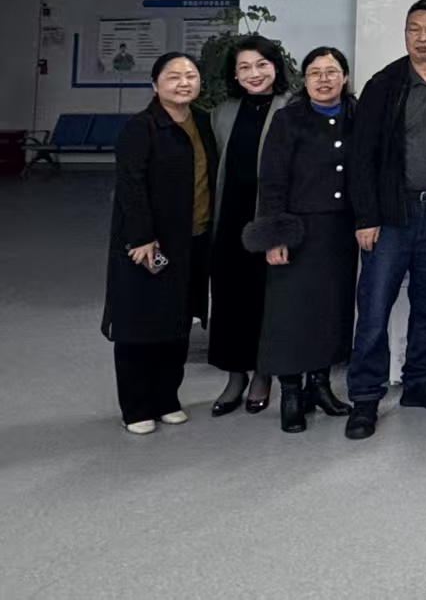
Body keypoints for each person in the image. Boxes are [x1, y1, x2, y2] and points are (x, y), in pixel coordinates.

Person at [344, 0, 426, 441]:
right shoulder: (384, 84)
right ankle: (365, 397)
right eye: (415, 29)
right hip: (390, 215)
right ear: (404, 35)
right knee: (374, 308)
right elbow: (361, 156)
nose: (423, 37)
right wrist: (366, 216)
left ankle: (419, 382)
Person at [244, 48, 359, 433]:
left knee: (330, 310)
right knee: (290, 314)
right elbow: (272, 180)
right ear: (304, 80)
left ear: (344, 77)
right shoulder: (288, 119)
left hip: (339, 231)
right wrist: (274, 235)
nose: (324, 80)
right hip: (296, 231)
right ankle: (291, 393)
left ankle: (320, 386)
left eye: (332, 72)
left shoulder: (356, 116)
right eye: (315, 73)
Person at [102, 52, 216, 434]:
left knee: (178, 322)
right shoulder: (141, 127)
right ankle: (136, 406)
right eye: (173, 76)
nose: (184, 83)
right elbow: (130, 185)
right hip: (148, 245)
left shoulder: (203, 122)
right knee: (139, 324)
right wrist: (141, 236)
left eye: (190, 75)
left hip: (193, 240)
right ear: (155, 85)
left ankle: (167, 398)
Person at [206, 35, 291, 417]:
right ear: (234, 75)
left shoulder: (291, 106)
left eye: (261, 65)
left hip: (268, 220)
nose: (254, 74)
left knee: (264, 300)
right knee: (229, 300)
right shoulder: (221, 113)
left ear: (275, 67)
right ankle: (234, 375)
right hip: (229, 219)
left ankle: (262, 374)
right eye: (244, 67)